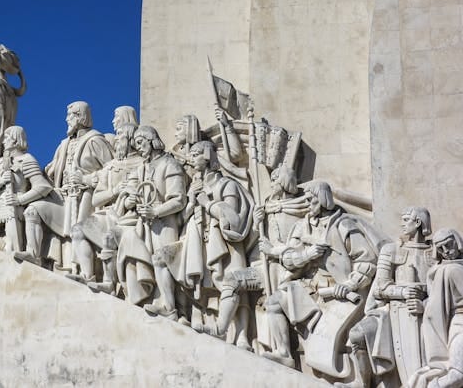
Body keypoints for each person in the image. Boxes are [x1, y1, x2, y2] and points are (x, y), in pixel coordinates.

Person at [262, 181, 378, 375]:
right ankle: (283, 353)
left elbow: (366, 261)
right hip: (309, 286)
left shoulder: (343, 224)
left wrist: (350, 284)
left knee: (333, 342)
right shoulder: (302, 226)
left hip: (337, 291)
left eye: (311, 200)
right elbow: (288, 259)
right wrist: (308, 254)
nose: (308, 204)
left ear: (323, 200)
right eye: (306, 200)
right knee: (274, 301)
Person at [336, 207, 435, 388]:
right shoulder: (391, 250)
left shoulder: (435, 252)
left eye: (406, 220)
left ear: (418, 222)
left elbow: (445, 288)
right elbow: (380, 288)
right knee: (357, 334)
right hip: (390, 311)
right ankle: (362, 382)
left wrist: (425, 302)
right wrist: (402, 292)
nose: (402, 224)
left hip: (427, 311)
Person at [15, 101, 112, 272]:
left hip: (85, 198)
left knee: (78, 233)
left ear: (80, 117)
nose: (66, 119)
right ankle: (33, 254)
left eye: (70, 116)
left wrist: (87, 178)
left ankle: (83, 271)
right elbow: (50, 172)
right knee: (32, 210)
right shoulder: (64, 144)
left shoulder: (96, 140)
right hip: (62, 197)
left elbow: (112, 171)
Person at [187, 140, 255, 349]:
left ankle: (243, 336)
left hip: (229, 242)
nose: (192, 159)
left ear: (207, 155)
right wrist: (191, 199)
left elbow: (233, 217)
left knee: (235, 287)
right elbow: (184, 217)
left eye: (196, 154)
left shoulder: (228, 185)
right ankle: (219, 327)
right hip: (204, 240)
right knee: (215, 289)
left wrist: (207, 203)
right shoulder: (196, 186)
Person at [117, 125, 187, 319]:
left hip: (164, 221)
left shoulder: (169, 164)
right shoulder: (141, 168)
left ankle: (172, 308)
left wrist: (155, 211)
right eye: (136, 144)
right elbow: (130, 189)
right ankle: (155, 300)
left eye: (140, 142)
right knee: (147, 260)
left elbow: (179, 199)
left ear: (151, 140)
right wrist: (129, 200)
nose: (138, 147)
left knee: (162, 260)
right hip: (144, 221)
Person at [69, 123, 142, 291]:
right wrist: (115, 191)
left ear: (129, 139)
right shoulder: (110, 167)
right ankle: (87, 276)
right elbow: (96, 200)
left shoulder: (142, 164)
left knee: (110, 238)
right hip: (108, 213)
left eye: (120, 135)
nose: (115, 139)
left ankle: (109, 282)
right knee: (78, 230)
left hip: (131, 216)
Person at [408, 228, 463, 388]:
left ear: (457, 242)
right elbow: (436, 300)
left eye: (448, 245)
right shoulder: (443, 270)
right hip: (460, 323)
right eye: (440, 248)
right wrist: (423, 306)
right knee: (457, 375)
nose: (446, 251)